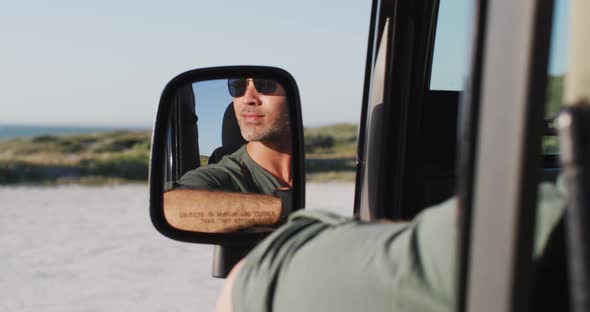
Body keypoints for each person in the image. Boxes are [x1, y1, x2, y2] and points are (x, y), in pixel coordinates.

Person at [215, 177, 567, 312]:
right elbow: (178, 199)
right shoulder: (227, 168)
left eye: (263, 85)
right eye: (237, 86)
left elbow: (246, 283)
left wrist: (254, 266)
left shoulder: (551, 226)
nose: (249, 96)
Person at [163, 78, 293, 233]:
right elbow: (169, 206)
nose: (247, 99)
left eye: (264, 85)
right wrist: (285, 207)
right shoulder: (223, 176)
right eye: (238, 86)